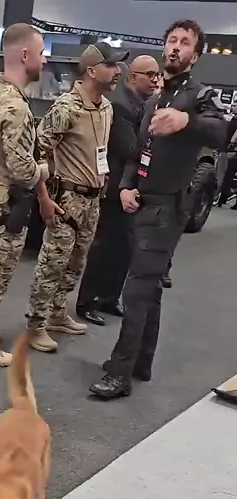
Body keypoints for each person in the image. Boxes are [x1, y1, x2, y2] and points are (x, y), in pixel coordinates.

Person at [90, 19, 226, 400]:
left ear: (195, 56)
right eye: (172, 40)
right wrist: (125, 185)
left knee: (136, 290)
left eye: (185, 43)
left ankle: (119, 372)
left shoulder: (198, 96)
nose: (176, 47)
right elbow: (138, 152)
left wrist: (186, 121)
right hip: (141, 203)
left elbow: (221, 131)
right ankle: (141, 362)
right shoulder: (154, 100)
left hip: (168, 209)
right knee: (147, 288)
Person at [0, 23, 59, 367]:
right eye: (41, 53)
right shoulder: (14, 106)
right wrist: (44, 170)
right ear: (24, 54)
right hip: (4, 203)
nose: (44, 61)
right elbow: (22, 171)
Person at [25, 41, 128, 354]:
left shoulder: (106, 108)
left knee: (76, 262)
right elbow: (39, 149)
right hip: (67, 198)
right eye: (111, 65)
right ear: (92, 71)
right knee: (52, 263)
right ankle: (36, 324)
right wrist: (45, 194)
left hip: (92, 200)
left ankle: (57, 313)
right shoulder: (66, 108)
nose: (118, 71)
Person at [76, 55, 160, 326]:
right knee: (104, 248)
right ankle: (88, 301)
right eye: (150, 75)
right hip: (114, 189)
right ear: (133, 77)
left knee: (124, 248)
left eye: (157, 75)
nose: (155, 80)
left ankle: (109, 297)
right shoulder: (121, 106)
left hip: (132, 187)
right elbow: (130, 147)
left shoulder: (143, 106)